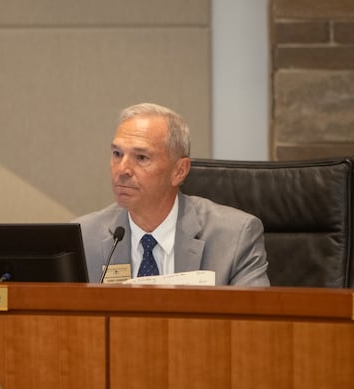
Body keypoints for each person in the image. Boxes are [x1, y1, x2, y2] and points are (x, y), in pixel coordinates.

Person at [74, 103, 269, 286]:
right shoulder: (82, 238)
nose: (122, 169)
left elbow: (255, 320)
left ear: (179, 171)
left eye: (141, 157)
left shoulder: (234, 237)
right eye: (117, 154)